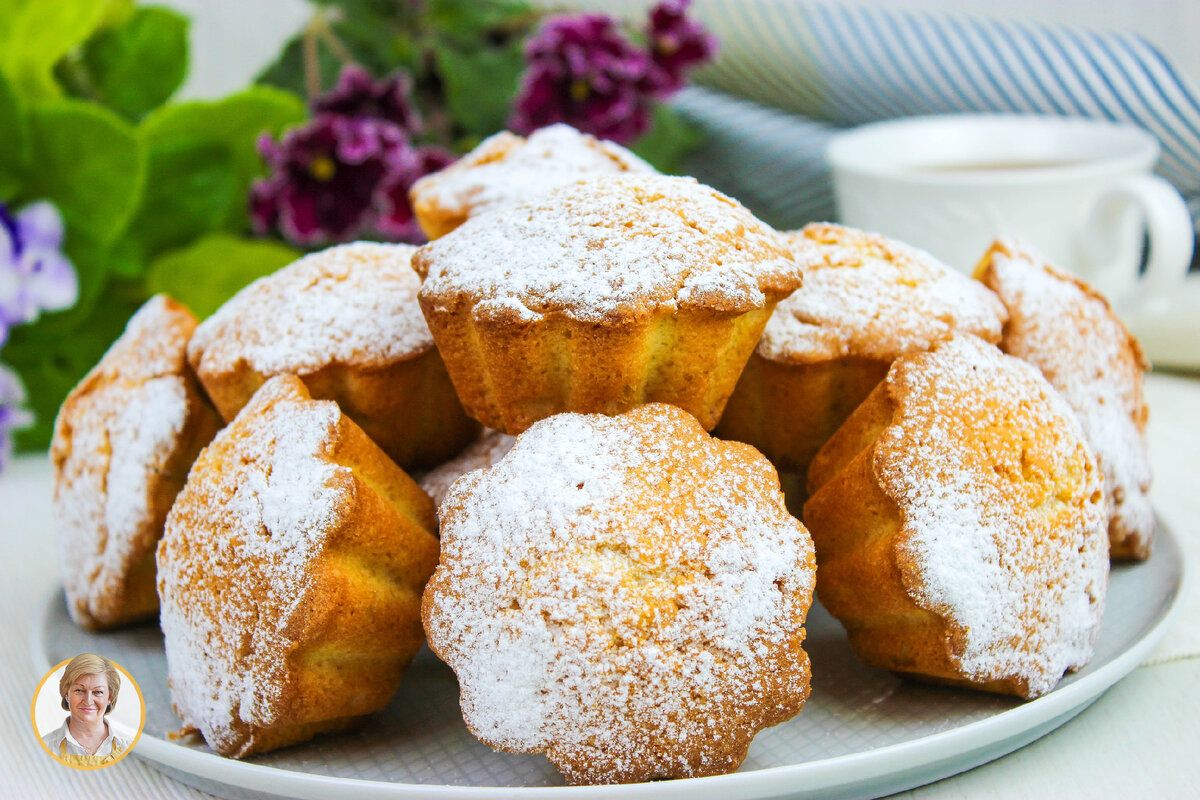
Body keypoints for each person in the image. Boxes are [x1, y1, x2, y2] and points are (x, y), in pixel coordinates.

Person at [41, 653, 131, 767]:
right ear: (67, 694)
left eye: (97, 692)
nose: (88, 701)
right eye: (79, 690)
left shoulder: (127, 747)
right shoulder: (46, 746)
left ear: (110, 697)